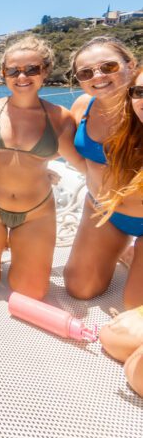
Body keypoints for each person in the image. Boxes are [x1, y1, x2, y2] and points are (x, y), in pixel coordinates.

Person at [0, 35, 85, 300]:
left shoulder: (61, 118)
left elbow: (80, 157)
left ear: (45, 71)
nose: (22, 77)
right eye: (13, 70)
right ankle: (1, 242)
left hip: (36, 213)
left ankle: (17, 245)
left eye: (31, 69)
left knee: (31, 293)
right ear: (3, 74)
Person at [66, 50, 141, 308]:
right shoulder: (81, 107)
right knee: (79, 288)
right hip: (102, 212)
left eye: (108, 66)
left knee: (134, 310)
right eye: (86, 73)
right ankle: (125, 251)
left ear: (130, 66)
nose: (97, 76)